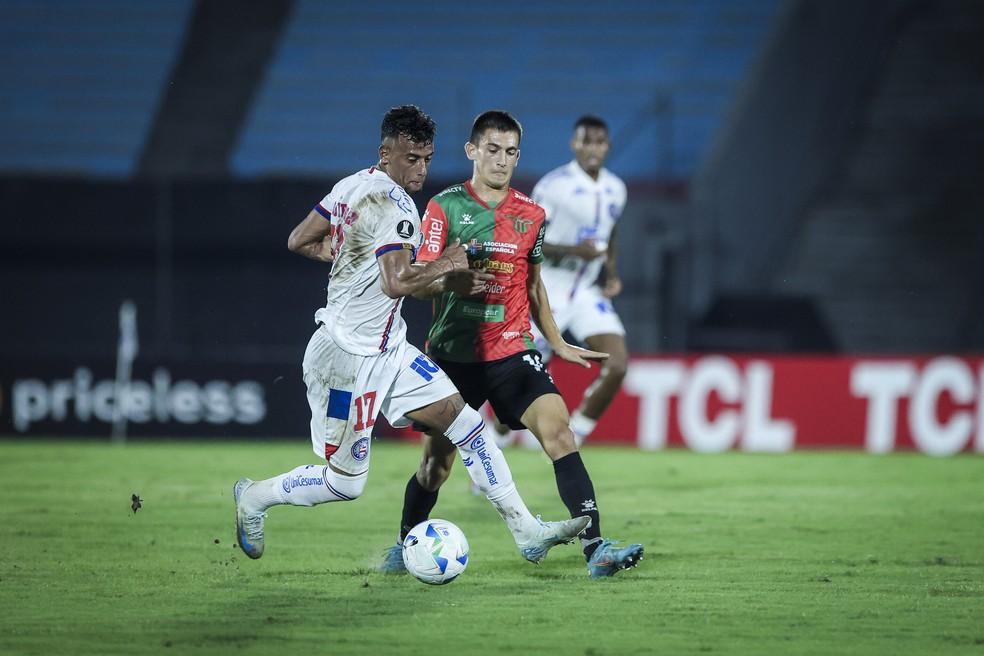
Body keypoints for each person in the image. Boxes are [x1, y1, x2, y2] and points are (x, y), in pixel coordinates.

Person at [232, 105, 590, 564]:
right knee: (345, 483)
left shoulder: (351, 184)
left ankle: (527, 532)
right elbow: (397, 282)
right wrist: (450, 263)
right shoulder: (398, 207)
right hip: (343, 358)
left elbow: (300, 240)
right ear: (386, 154)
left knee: (468, 426)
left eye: (426, 158)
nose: (420, 169)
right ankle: (254, 497)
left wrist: (348, 258)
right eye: (410, 159)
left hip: (389, 350)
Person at [380, 110, 643, 578]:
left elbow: (535, 286)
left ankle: (597, 548)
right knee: (434, 468)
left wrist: (557, 341)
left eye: (511, 152)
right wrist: (454, 282)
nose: (502, 161)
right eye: (493, 150)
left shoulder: (531, 214)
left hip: (513, 350)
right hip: (453, 358)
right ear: (473, 151)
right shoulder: (444, 208)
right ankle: (405, 542)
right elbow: (417, 284)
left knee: (560, 433)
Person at [525, 115, 629, 447]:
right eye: (586, 141)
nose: (593, 148)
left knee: (617, 364)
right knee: (523, 381)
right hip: (547, 289)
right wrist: (573, 250)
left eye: (599, 141)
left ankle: (577, 434)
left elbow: (610, 235)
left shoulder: (616, 188)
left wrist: (611, 273)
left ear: (607, 146)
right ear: (574, 144)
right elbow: (529, 240)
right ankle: (493, 446)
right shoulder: (554, 186)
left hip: (585, 292)